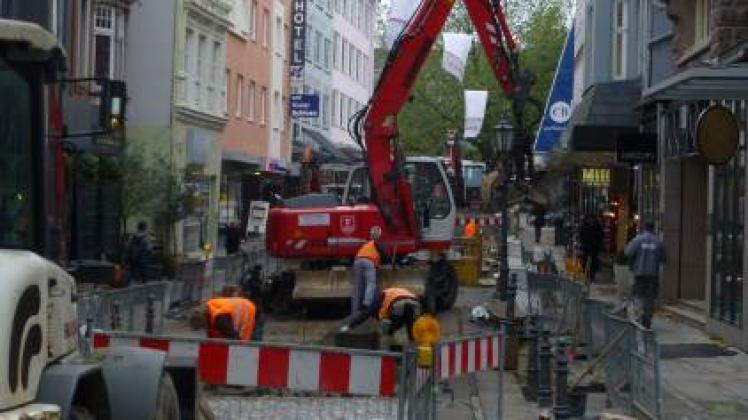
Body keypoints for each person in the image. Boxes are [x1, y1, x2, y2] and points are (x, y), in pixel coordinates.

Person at [341, 226, 386, 333]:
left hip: (357, 262)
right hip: (369, 262)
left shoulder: (366, 244)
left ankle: (355, 313)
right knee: (371, 283)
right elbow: (384, 253)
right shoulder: (376, 242)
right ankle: (367, 303)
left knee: (357, 289)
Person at [624, 221, 666, 329]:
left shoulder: (638, 240)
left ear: (644, 227)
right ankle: (647, 320)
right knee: (650, 298)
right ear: (653, 228)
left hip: (639, 273)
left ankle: (639, 316)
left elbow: (628, 252)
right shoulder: (658, 242)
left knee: (638, 295)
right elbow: (663, 258)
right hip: (652, 275)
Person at [188, 296, 260, 342]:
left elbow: (235, 339)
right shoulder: (209, 308)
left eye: (201, 327)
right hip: (245, 305)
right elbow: (211, 338)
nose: (203, 328)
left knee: (252, 347)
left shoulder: (221, 320)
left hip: (251, 312)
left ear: (204, 321)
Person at [579, 215, 604, 283]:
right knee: (585, 262)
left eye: (591, 219)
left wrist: (599, 246)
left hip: (594, 249)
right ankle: (586, 275)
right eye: (589, 219)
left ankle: (592, 276)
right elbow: (581, 236)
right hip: (586, 248)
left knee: (593, 263)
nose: (590, 221)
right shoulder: (585, 226)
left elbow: (601, 236)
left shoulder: (597, 226)